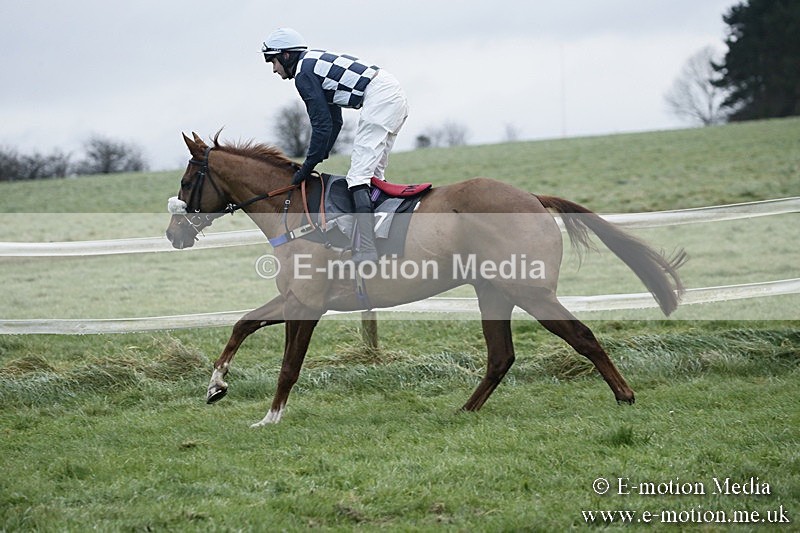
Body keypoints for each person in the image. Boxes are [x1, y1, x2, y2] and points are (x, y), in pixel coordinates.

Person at [262, 27, 409, 264]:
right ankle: (381, 239)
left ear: (286, 56)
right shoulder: (312, 64)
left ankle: (367, 250)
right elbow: (334, 122)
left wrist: (306, 167)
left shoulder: (303, 74)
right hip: (390, 94)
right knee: (373, 177)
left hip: (381, 97)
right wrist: (317, 158)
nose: (274, 69)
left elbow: (321, 125)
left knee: (359, 177)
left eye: (273, 61)